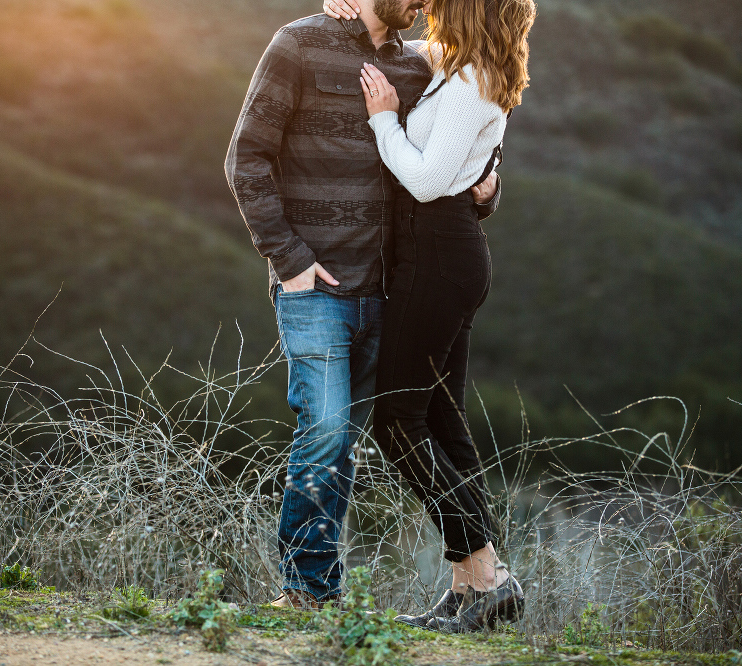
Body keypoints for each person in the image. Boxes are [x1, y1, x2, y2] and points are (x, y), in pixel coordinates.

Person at [225, 0, 500, 610]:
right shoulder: (297, 45)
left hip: (393, 290)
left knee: (391, 430)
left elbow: (460, 140)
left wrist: (492, 184)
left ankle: (479, 580)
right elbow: (247, 157)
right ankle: (309, 593)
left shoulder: (417, 66)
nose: (424, 3)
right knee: (325, 429)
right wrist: (288, 258)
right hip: (317, 286)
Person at [324, 0, 535, 632]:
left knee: (397, 418)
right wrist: (348, 7)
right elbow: (396, 44)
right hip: (438, 254)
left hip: (439, 256)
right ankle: (471, 589)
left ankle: (490, 573)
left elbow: (425, 180)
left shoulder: (470, 83)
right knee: (441, 419)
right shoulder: (460, 65)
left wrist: (385, 121)